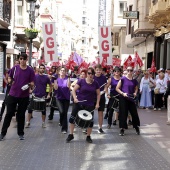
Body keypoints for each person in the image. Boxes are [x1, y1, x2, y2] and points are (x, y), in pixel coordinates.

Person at [0, 53, 35, 141]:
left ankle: (20, 133)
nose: (22, 60)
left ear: (27, 60)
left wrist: (29, 85)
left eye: (24, 59)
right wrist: (10, 81)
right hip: (13, 94)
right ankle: (3, 133)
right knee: (8, 114)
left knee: (21, 115)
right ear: (19, 59)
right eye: (21, 59)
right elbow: (9, 77)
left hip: (24, 96)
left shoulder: (30, 70)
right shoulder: (15, 68)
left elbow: (33, 83)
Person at [66, 67, 100, 143]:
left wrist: (97, 103)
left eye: (92, 74)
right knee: (72, 118)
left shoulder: (95, 83)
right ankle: (71, 135)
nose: (90, 75)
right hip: (79, 103)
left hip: (90, 104)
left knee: (90, 122)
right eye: (89, 73)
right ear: (87, 74)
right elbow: (74, 90)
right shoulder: (81, 81)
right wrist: (75, 98)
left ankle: (88, 136)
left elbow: (98, 94)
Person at [116, 66, 140, 136]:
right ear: (126, 70)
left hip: (131, 98)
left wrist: (135, 93)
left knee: (134, 113)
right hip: (123, 98)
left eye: (131, 70)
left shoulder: (134, 80)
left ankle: (136, 127)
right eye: (128, 70)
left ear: (133, 71)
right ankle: (122, 129)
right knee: (123, 113)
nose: (129, 72)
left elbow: (136, 88)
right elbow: (117, 88)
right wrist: (123, 93)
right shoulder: (123, 79)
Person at [53, 66, 71, 133]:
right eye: (61, 70)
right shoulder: (56, 79)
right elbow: (56, 88)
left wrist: (69, 77)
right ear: (59, 72)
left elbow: (69, 86)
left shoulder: (67, 79)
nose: (62, 72)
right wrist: (55, 81)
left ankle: (64, 129)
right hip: (59, 98)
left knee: (65, 113)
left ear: (66, 72)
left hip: (66, 98)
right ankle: (61, 121)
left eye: (64, 70)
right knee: (61, 111)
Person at [94, 64, 107, 133]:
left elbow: (105, 86)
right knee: (90, 112)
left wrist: (104, 91)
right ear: (95, 70)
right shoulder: (92, 77)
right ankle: (87, 126)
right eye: (97, 70)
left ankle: (100, 127)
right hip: (93, 97)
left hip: (101, 96)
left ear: (101, 71)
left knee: (101, 112)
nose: (98, 71)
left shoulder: (103, 77)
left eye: (100, 70)